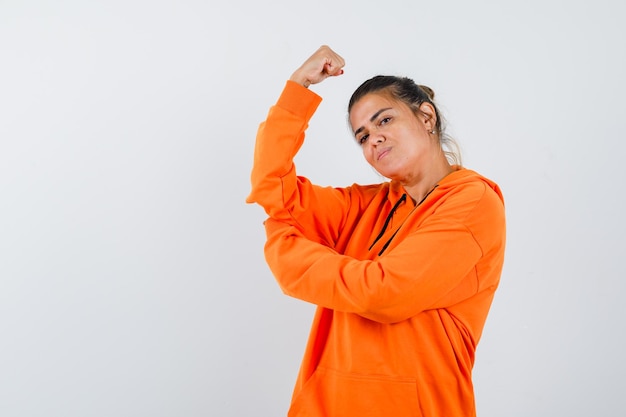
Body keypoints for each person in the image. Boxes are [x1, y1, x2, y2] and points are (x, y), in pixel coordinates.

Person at [246, 45, 506, 417]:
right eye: (363, 136)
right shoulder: (364, 205)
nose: (374, 139)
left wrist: (287, 257)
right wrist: (298, 86)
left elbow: (385, 293)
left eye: (384, 120)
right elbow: (273, 190)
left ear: (426, 116)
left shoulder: (474, 202)